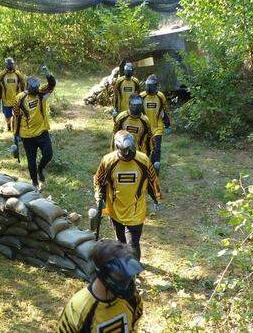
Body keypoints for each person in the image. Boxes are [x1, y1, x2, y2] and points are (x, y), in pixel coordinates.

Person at [93, 130, 162, 260]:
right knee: (120, 242)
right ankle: (124, 270)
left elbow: (153, 181)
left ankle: (133, 271)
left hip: (136, 209)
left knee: (133, 245)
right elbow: (98, 180)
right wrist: (99, 197)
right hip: (115, 209)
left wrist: (157, 198)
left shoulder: (143, 160)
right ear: (118, 148)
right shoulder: (108, 161)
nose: (129, 154)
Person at [57, 240, 144, 333]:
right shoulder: (79, 308)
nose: (127, 282)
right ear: (104, 273)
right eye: (120, 276)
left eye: (128, 276)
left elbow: (134, 324)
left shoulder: (132, 298)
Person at [13, 65, 56, 190]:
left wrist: (47, 72)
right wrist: (15, 134)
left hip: (42, 131)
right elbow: (16, 116)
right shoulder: (20, 98)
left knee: (48, 154)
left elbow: (52, 84)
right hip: (27, 135)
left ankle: (41, 168)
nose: (34, 91)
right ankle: (35, 183)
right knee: (31, 160)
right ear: (27, 87)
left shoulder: (41, 93)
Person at [140, 74, 172, 173]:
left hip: (158, 126)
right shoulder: (142, 96)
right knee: (145, 148)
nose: (149, 87)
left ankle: (155, 166)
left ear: (155, 86)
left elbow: (165, 110)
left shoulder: (160, 96)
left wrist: (168, 124)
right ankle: (144, 167)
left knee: (156, 149)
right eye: (147, 85)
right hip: (145, 127)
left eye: (151, 85)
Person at [0, 57, 26, 131]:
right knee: (8, 116)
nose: (10, 66)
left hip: (16, 100)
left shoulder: (18, 74)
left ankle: (14, 128)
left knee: (16, 115)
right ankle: (8, 126)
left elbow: (23, 85)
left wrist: (24, 96)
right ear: (6, 65)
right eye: (8, 64)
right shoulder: (2, 74)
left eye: (11, 64)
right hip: (6, 101)